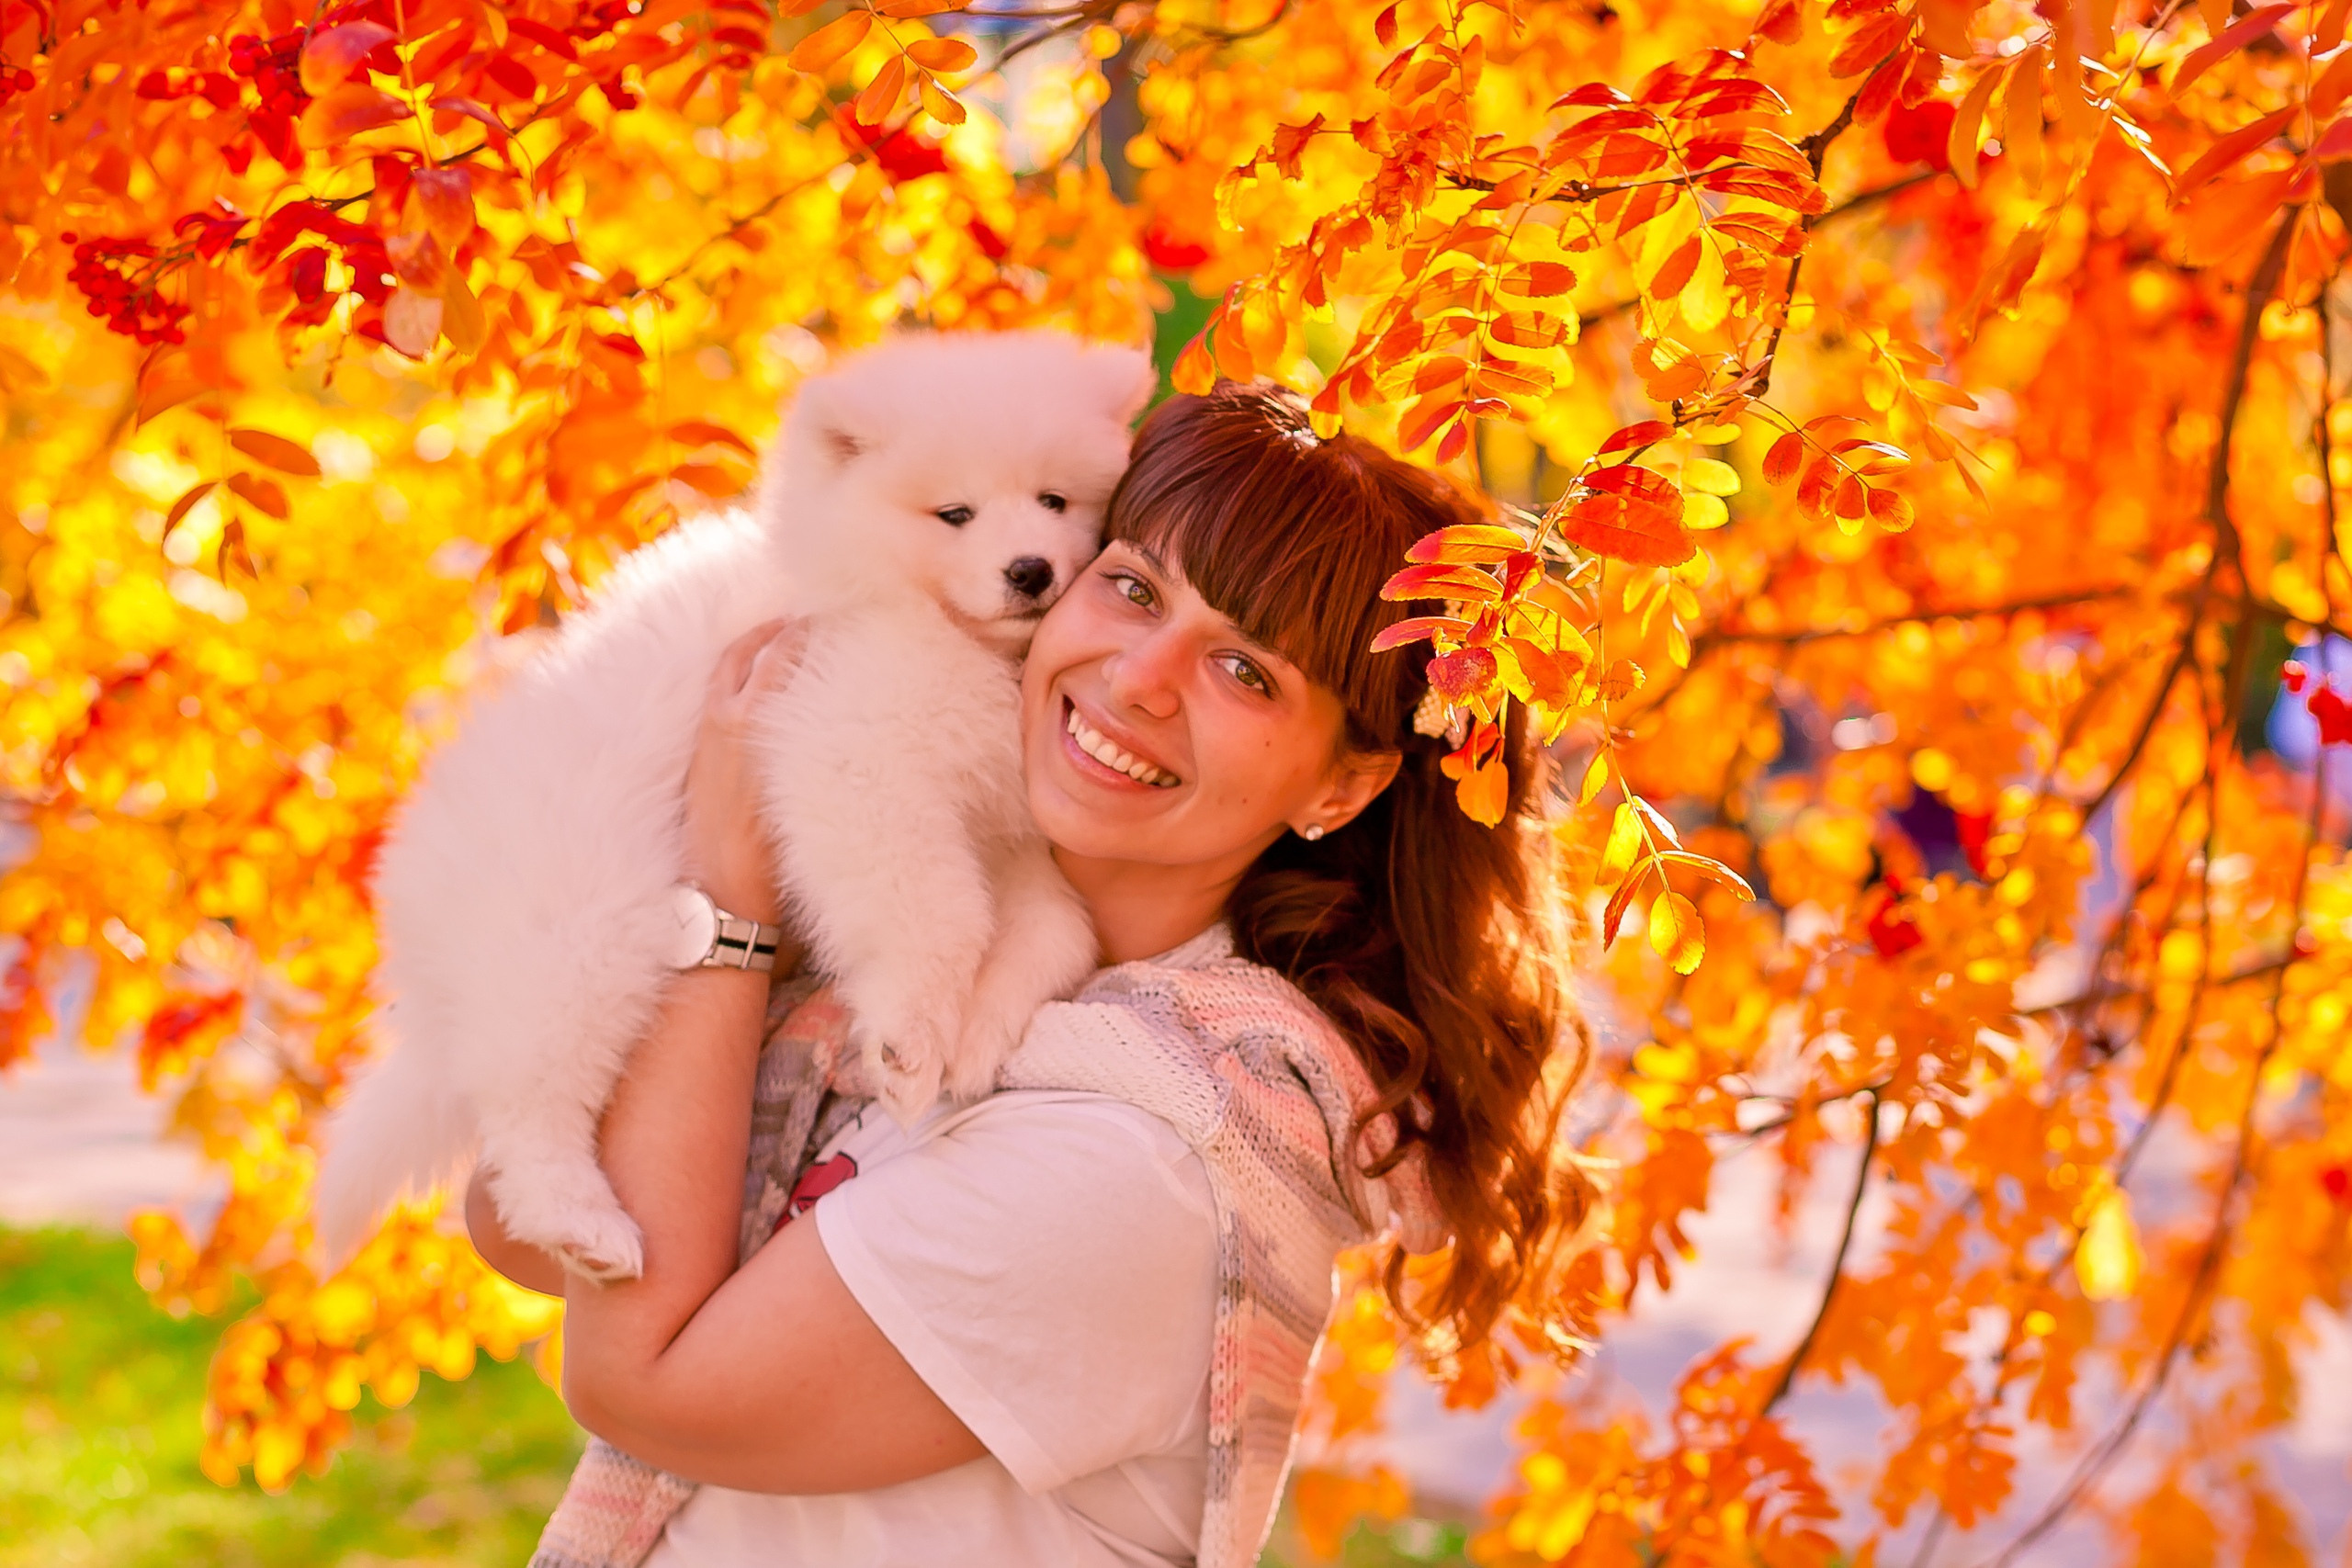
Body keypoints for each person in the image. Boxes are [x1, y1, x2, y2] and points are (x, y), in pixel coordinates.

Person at [467, 381, 1591, 1568]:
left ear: (1340, 787)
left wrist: (727, 893)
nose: (1143, 677)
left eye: (1247, 671)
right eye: (1135, 587)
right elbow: (521, 1221)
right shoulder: (919, 945)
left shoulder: (1150, 1158)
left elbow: (642, 1380)